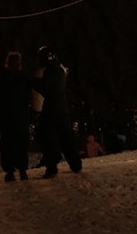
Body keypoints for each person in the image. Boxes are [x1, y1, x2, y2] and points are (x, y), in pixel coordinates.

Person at [32, 46, 82, 179]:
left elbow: (44, 88)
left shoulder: (48, 72)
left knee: (50, 140)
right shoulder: (61, 71)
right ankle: (75, 164)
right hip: (62, 110)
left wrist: (31, 81)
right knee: (66, 138)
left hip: (50, 111)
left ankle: (52, 167)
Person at [0, 50, 32, 182]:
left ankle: (10, 171)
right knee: (21, 145)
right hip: (21, 116)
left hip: (8, 117)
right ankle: (22, 170)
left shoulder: (3, 77)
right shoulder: (24, 76)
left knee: (8, 145)